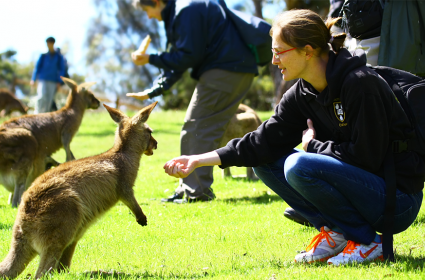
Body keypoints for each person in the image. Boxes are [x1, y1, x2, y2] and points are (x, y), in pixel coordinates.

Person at [163, 9, 425, 265]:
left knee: (299, 165)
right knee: (265, 160)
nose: (274, 61)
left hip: (395, 199)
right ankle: (336, 232)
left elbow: (367, 157)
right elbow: (261, 142)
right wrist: (197, 160)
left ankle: (367, 242)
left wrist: (313, 145)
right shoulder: (302, 93)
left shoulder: (359, 83)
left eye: (279, 53)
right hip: (363, 189)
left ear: (307, 51)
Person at [129, 0, 258, 203]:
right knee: (197, 127)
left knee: (198, 128)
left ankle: (197, 192)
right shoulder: (181, 12)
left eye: (147, 10)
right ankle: (189, 187)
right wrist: (154, 89)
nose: (149, 16)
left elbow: (187, 56)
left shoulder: (185, 10)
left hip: (225, 68)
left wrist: (150, 59)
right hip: (235, 68)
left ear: (156, 2)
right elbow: (179, 61)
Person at [30, 37, 65, 114]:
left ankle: (45, 117)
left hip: (53, 81)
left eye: (49, 43)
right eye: (47, 43)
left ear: (53, 43)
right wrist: (33, 79)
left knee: (49, 100)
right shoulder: (43, 55)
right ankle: (37, 114)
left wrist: (59, 81)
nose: (48, 45)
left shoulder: (59, 56)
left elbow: (62, 69)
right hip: (43, 79)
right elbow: (37, 67)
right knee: (42, 97)